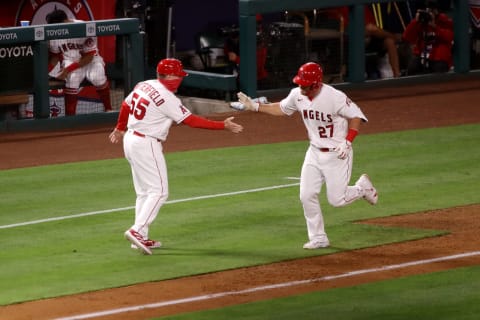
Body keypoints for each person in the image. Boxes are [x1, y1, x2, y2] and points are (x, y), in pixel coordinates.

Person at [234, 62, 378, 249]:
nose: (301, 88)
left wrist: (348, 141)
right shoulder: (297, 94)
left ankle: (362, 189)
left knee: (337, 200)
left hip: (338, 154)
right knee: (306, 195)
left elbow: (356, 116)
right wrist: (255, 106)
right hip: (314, 152)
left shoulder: (335, 97)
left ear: (316, 84)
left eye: (304, 85)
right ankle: (319, 237)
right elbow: (282, 108)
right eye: (300, 83)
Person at [109, 58, 243, 255]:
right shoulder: (167, 98)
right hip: (147, 144)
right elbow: (192, 121)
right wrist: (222, 125)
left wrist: (120, 128)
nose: (180, 79)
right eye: (178, 75)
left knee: (145, 193)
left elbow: (126, 105)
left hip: (130, 140)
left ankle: (141, 236)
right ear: (170, 76)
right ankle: (136, 231)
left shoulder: (144, 84)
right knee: (160, 192)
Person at [46, 9, 112, 116]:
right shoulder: (54, 32)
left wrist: (67, 70)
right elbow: (54, 58)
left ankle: (109, 110)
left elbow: (89, 57)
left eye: (58, 25)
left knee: (98, 76)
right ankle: (70, 119)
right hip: (70, 61)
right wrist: (46, 74)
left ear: (66, 20)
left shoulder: (83, 27)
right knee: (73, 79)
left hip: (91, 61)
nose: (57, 29)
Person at [402, 0, 454, 75]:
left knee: (438, 68)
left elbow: (449, 37)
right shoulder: (421, 20)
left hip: (439, 56)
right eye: (428, 10)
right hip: (421, 53)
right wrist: (415, 22)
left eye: (432, 10)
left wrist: (434, 27)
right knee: (412, 68)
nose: (430, 13)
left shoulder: (444, 20)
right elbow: (406, 37)